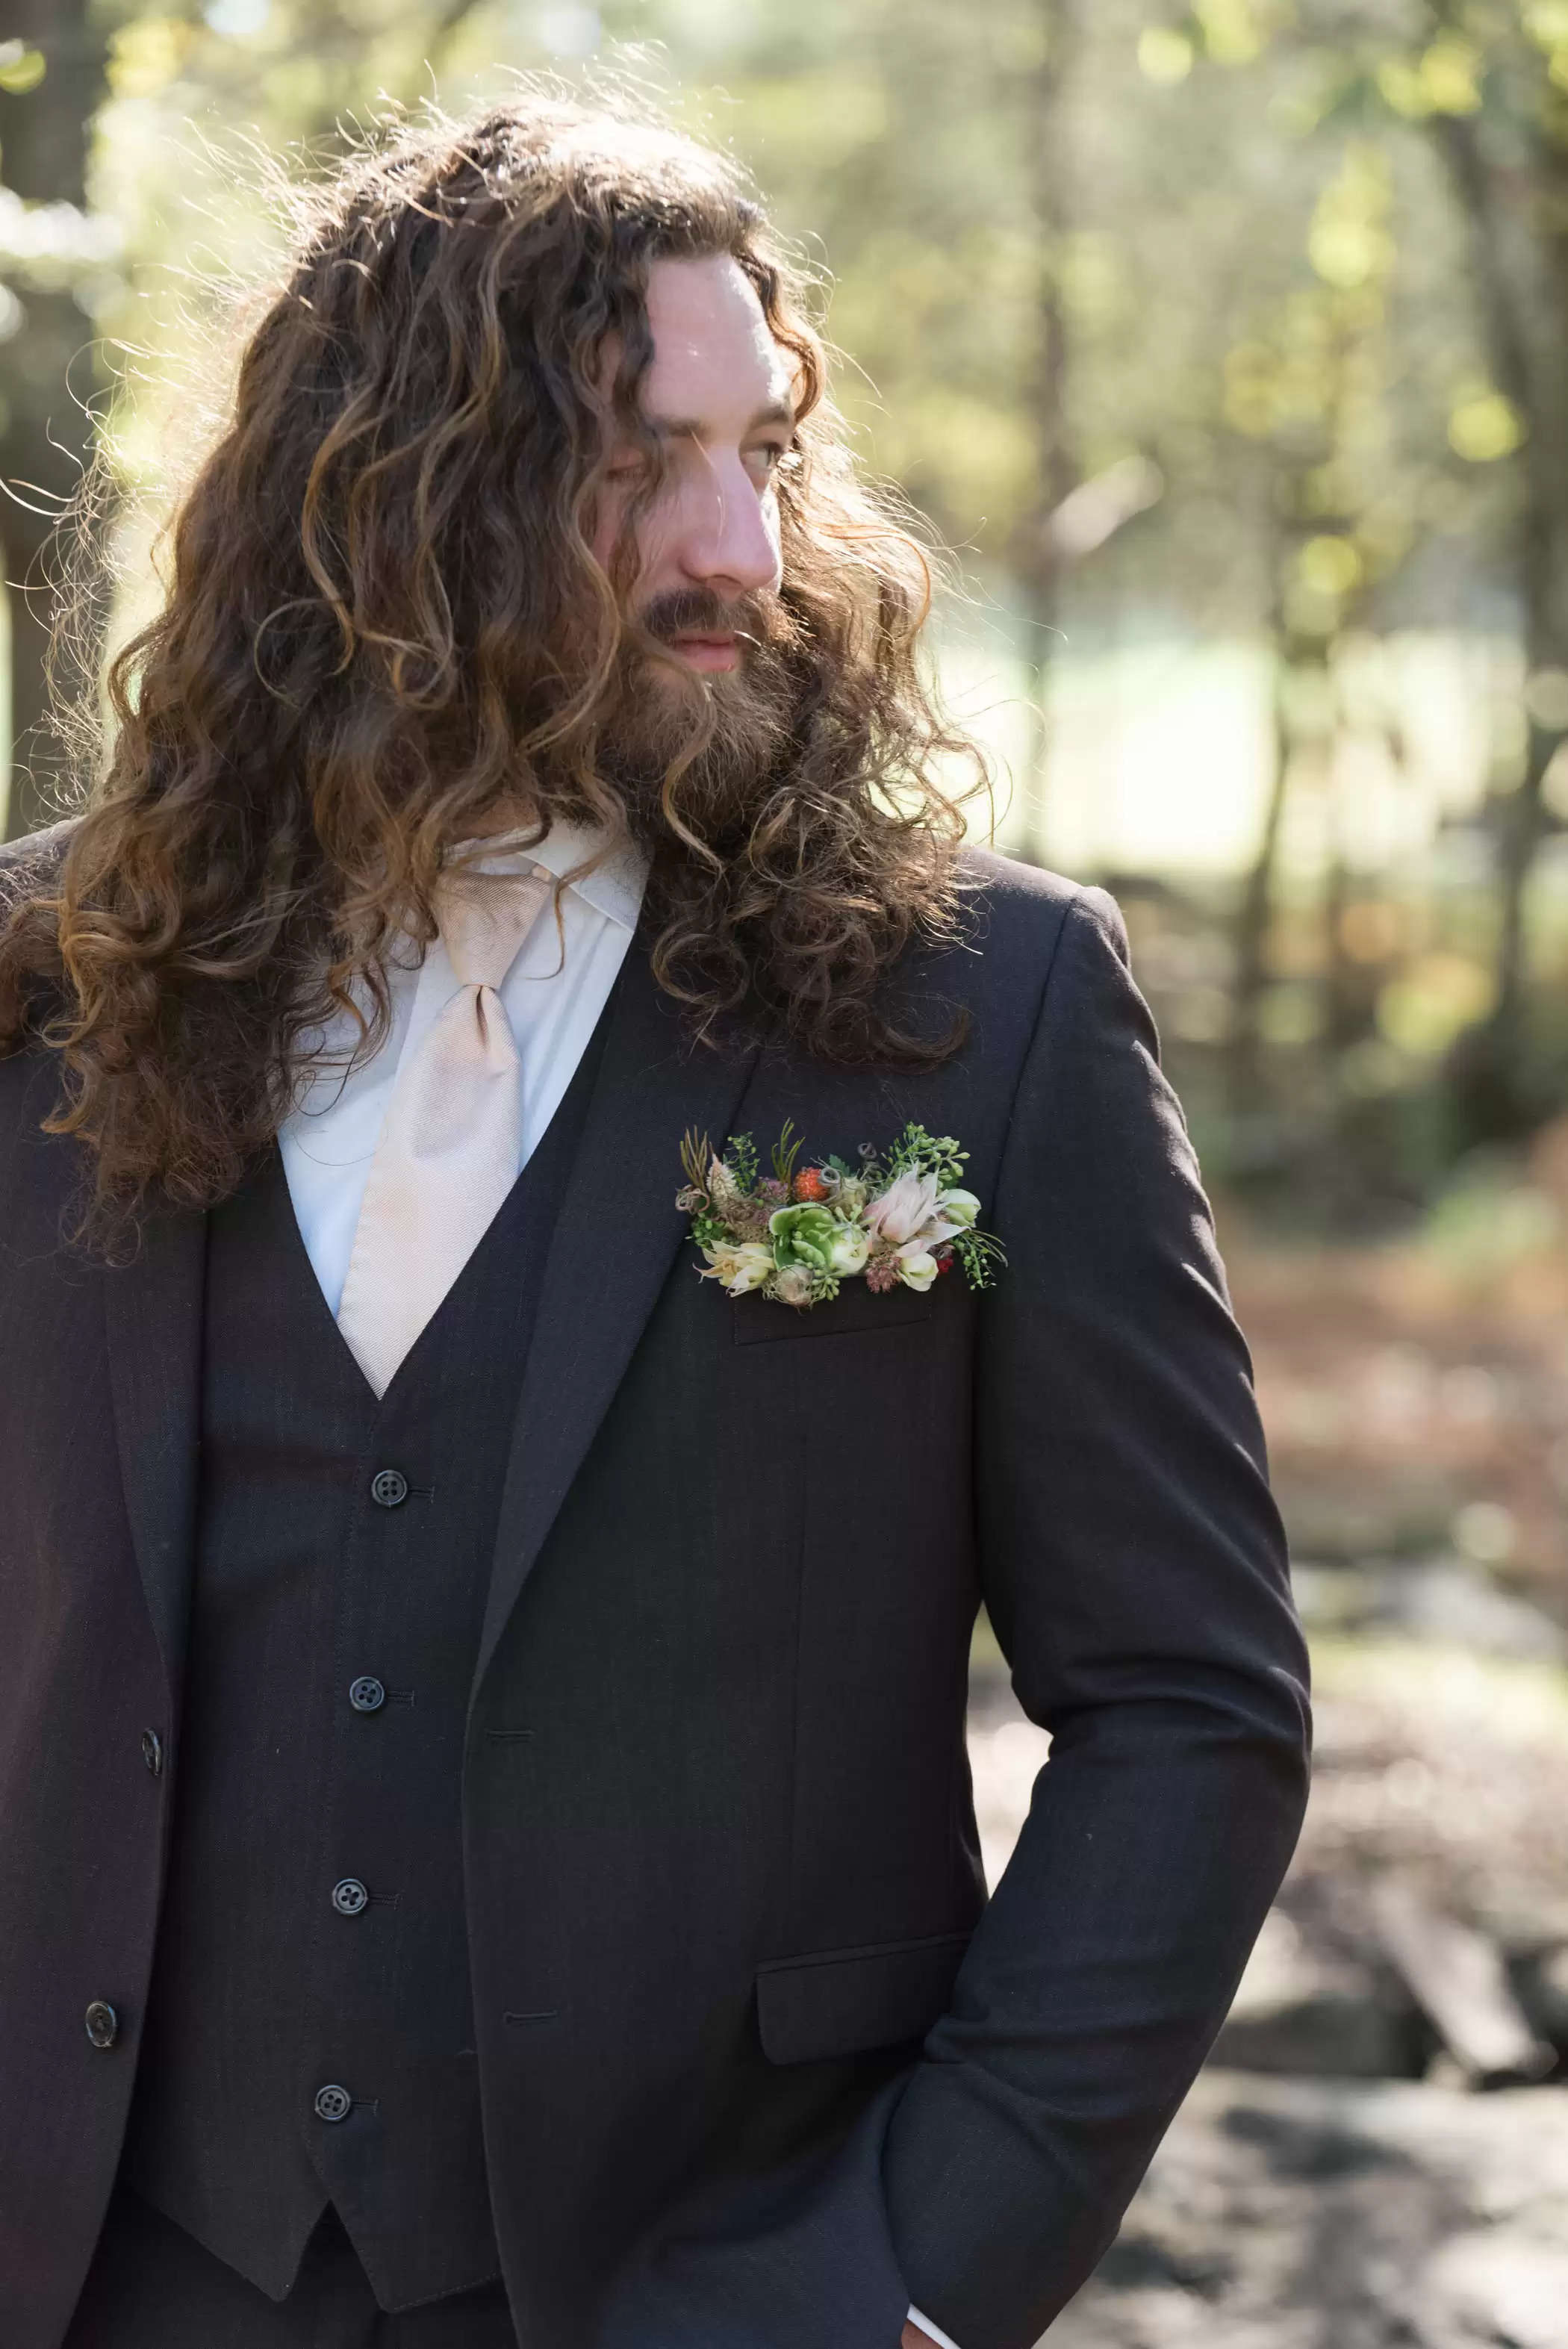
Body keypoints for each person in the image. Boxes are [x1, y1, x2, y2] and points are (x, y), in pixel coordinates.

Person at [0, 92, 1310, 2349]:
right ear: (384, 503)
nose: (737, 547)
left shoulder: (979, 1011)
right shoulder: (53, 978)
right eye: (630, 469)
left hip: (713, 2279)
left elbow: (1189, 1704)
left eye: (766, 453)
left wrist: (920, 2262)